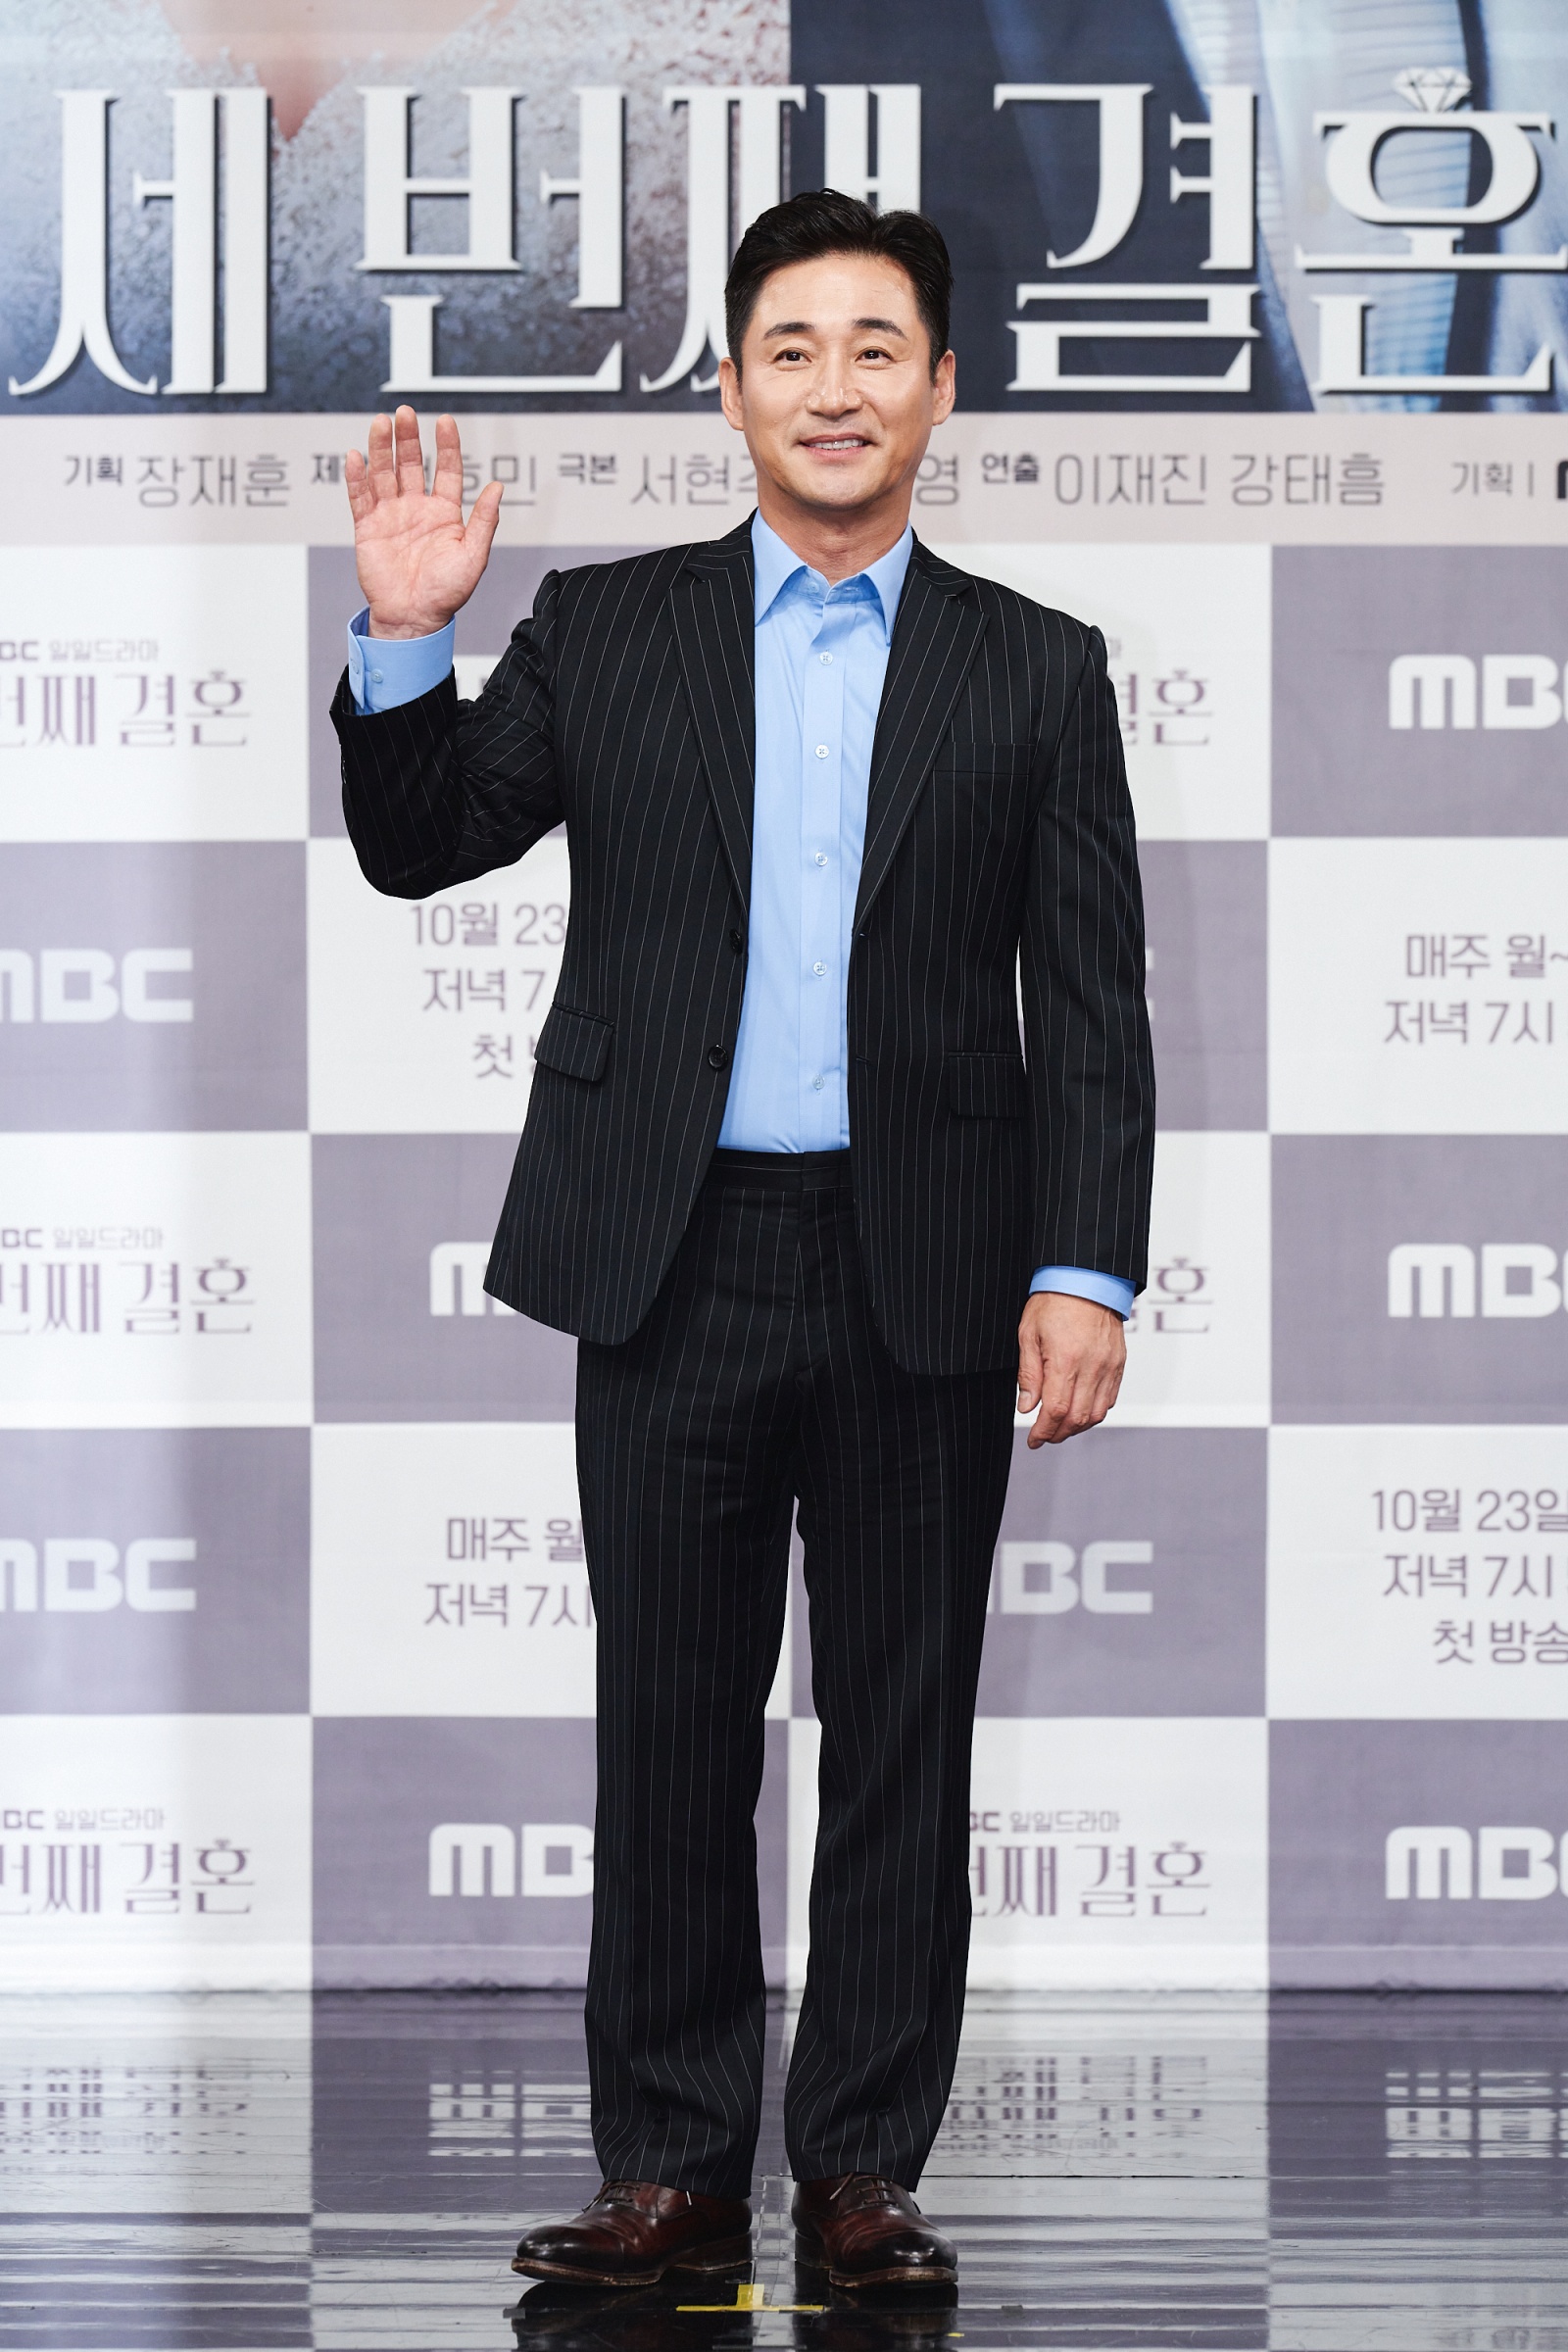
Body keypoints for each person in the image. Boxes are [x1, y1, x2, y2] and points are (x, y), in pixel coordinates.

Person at [333, 189, 1153, 2293]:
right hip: (669, 1254)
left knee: (901, 1735)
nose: (833, 388)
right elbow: (421, 848)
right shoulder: (607, 631)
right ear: (730, 388)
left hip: (926, 1262)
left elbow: (1089, 1005)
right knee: (671, 1730)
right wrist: (407, 641)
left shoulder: (1035, 668)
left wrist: (1083, 1268)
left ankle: (863, 2172)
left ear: (941, 387)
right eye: (792, 349)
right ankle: (672, 2167)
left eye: (876, 349)